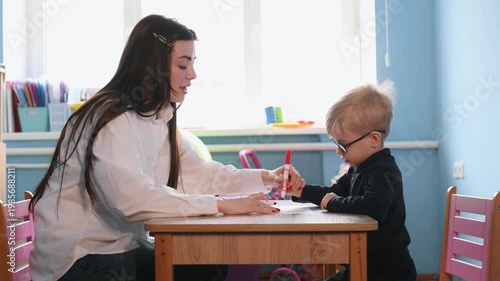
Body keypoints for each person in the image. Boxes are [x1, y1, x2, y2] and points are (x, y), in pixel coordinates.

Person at [28, 14, 304, 281]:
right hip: (79, 258)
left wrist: (268, 177)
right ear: (153, 66)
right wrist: (220, 204)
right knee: (199, 270)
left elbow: (202, 174)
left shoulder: (158, 115)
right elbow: (133, 201)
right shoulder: (112, 118)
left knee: (209, 260)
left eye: (192, 64)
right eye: (183, 65)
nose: (193, 75)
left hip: (120, 246)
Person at [287, 81, 417, 281]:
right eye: (335, 143)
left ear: (373, 139)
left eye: (343, 145)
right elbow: (332, 193)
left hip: (388, 272)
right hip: (361, 267)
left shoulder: (384, 171)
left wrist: (332, 202)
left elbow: (374, 205)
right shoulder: (357, 169)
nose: (338, 151)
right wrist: (300, 191)